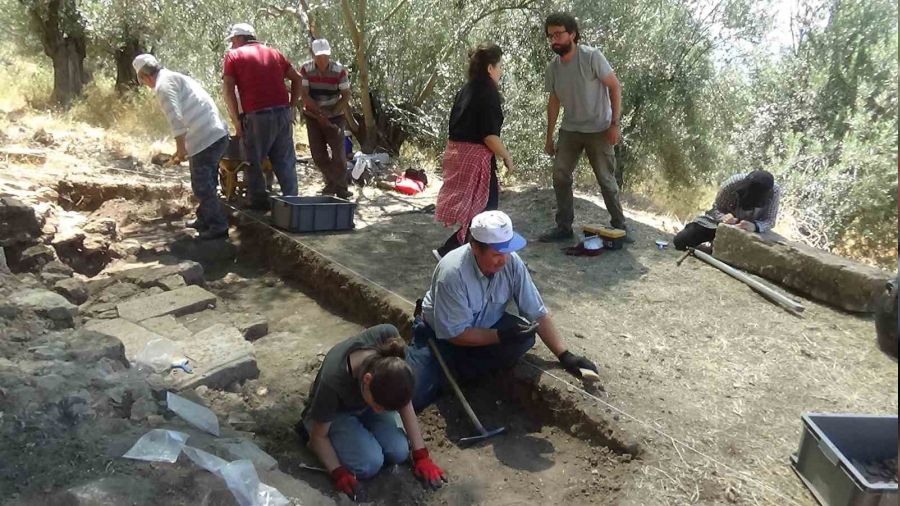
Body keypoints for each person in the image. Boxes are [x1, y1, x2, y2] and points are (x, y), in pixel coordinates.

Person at [406, 210, 599, 411]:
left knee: (524, 337)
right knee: (410, 397)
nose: (504, 260)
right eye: (497, 254)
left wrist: (565, 355)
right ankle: (442, 369)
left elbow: (537, 312)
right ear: (475, 248)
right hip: (440, 337)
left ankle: (458, 372)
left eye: (506, 252)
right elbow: (455, 333)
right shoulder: (452, 273)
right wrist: (500, 336)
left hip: (484, 328)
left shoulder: (512, 263)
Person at [296, 324, 446, 499]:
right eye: (379, 406)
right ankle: (308, 426)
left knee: (399, 451)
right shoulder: (334, 380)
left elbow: (403, 401)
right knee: (369, 463)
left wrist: (421, 455)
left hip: (364, 404)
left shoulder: (390, 342)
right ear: (367, 380)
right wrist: (338, 472)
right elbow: (319, 437)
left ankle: (363, 425)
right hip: (335, 413)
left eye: (384, 408)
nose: (380, 411)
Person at [538, 12, 630, 243]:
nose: (554, 40)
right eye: (550, 36)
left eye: (558, 34)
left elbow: (615, 87)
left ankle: (620, 226)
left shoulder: (592, 57)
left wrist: (614, 124)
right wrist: (549, 137)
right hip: (571, 130)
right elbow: (554, 102)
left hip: (599, 128)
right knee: (560, 174)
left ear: (573, 34)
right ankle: (564, 227)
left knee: (605, 179)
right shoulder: (554, 68)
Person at [132, 54, 229, 240]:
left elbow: (175, 119)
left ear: (145, 76)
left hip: (205, 138)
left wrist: (180, 150)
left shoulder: (163, 86)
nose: (145, 84)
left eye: (142, 80)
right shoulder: (174, 77)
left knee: (202, 186)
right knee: (208, 181)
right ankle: (204, 218)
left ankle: (218, 226)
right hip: (216, 134)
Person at [432, 43, 514, 260]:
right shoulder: (488, 93)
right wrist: (506, 156)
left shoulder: (466, 90)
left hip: (456, 154)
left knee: (475, 209)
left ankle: (466, 252)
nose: (501, 71)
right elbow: (489, 135)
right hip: (475, 158)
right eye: (500, 66)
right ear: (490, 68)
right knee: (485, 209)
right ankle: (451, 251)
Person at [222, 23, 301, 210]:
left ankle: (258, 203)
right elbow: (297, 78)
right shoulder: (274, 52)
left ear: (240, 38)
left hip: (256, 116)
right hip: (282, 113)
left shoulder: (233, 56)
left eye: (233, 40)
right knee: (284, 160)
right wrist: (291, 106)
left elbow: (228, 90)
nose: (232, 44)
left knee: (253, 160)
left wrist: (236, 121)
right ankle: (293, 202)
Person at [298, 39, 354, 200]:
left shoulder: (339, 71)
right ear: (314, 56)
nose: (323, 60)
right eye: (319, 56)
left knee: (339, 153)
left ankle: (341, 187)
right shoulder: (306, 69)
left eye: (325, 56)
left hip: (335, 115)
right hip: (313, 116)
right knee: (318, 154)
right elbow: (305, 94)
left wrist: (332, 112)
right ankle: (332, 182)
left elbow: (346, 95)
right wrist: (319, 114)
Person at [672, 170, 781, 251]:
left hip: (751, 233)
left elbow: (770, 221)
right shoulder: (732, 184)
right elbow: (716, 208)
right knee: (681, 240)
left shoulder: (774, 192)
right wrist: (723, 217)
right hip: (720, 226)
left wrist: (755, 226)